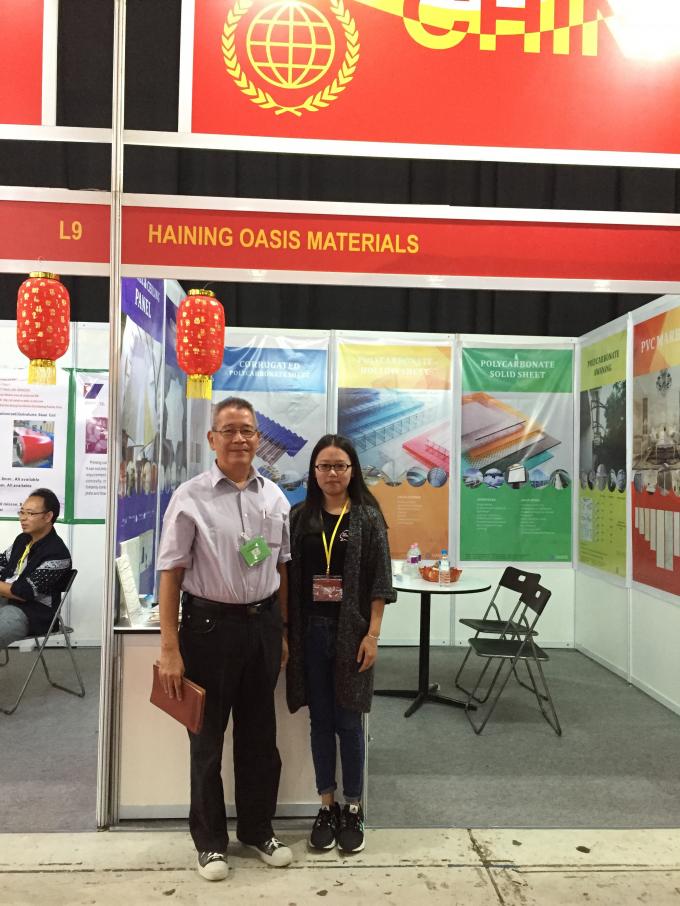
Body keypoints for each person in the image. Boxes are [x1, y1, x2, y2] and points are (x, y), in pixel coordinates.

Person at [157, 397, 292, 882]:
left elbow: (281, 568)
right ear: (212, 438)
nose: (239, 439)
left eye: (247, 430)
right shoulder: (189, 496)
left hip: (262, 628)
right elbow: (170, 573)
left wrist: (281, 631)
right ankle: (211, 843)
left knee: (260, 738)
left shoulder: (274, 497)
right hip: (208, 630)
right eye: (229, 430)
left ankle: (257, 830)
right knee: (207, 740)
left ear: (258, 439)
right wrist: (169, 647)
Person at [286, 434, 395, 854]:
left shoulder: (368, 517)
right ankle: (326, 805)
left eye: (340, 466)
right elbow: (285, 574)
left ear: (352, 471)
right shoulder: (300, 517)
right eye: (324, 466)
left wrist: (373, 634)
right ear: (314, 472)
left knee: (349, 722)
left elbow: (380, 582)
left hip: (352, 633)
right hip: (310, 632)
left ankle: (353, 807)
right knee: (320, 721)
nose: (332, 473)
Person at [0, 488, 72, 649]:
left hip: (34, 612)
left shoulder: (57, 553)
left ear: (48, 516)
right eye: (22, 512)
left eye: (30, 513)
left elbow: (24, 593)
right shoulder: (23, 540)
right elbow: (3, 563)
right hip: (6, 600)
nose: (23, 518)